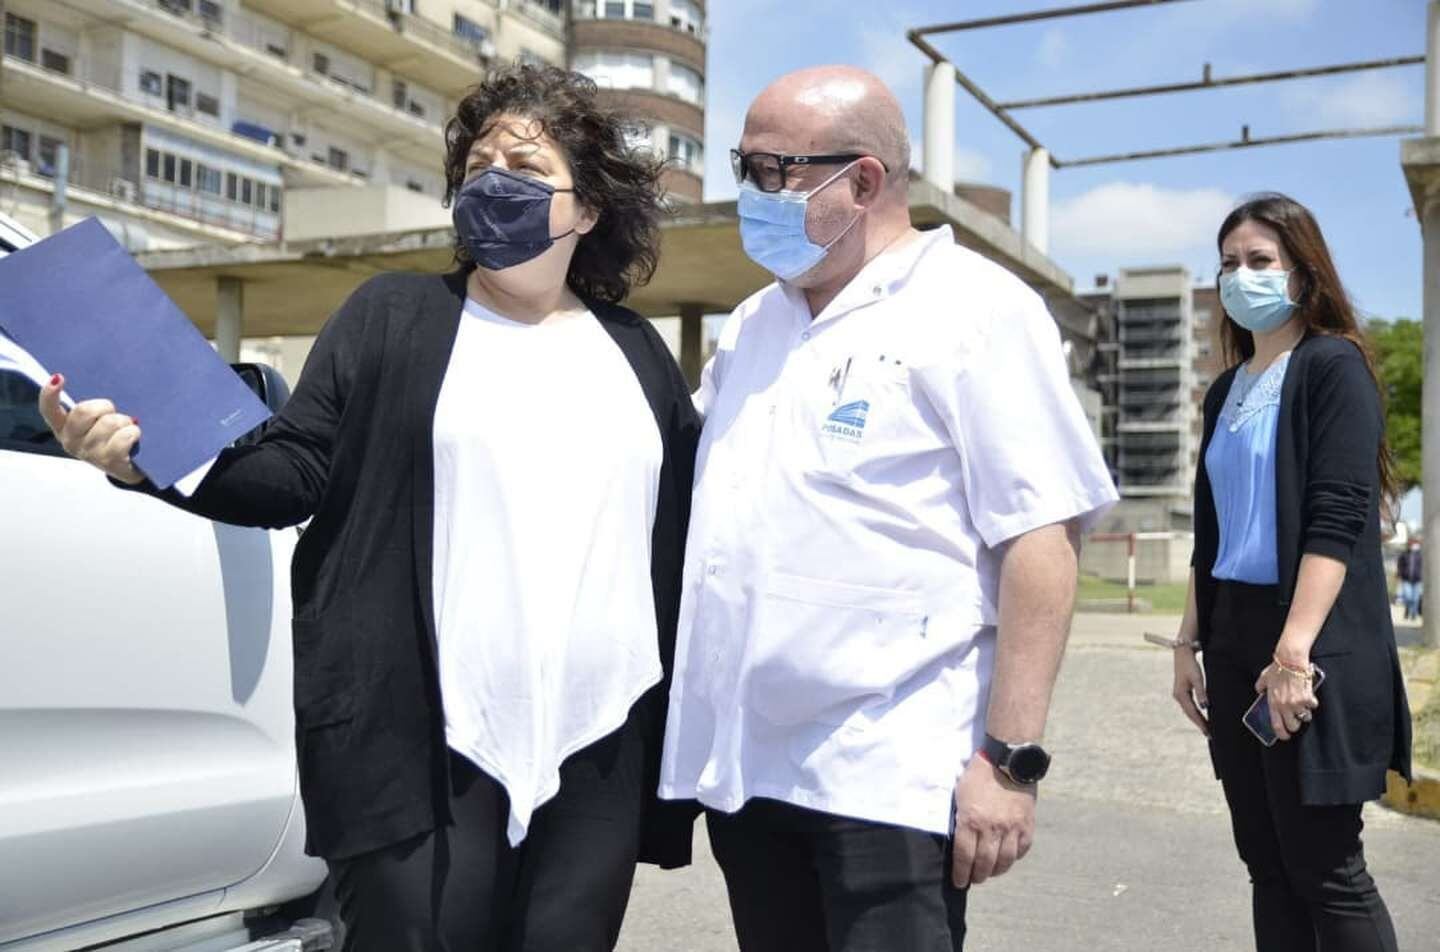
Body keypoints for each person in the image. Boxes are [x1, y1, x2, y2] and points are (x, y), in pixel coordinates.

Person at [38, 64, 700, 951]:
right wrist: (140, 455)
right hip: (423, 743)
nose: (492, 182)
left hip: (601, 742)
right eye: (478, 167)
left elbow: (694, 525)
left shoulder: (636, 353)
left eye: (525, 168)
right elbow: (293, 472)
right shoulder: (395, 315)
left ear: (586, 211)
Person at [658, 66, 1117, 951]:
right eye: (743, 166)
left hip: (886, 776)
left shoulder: (975, 311)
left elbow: (1041, 541)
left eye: (771, 171)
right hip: (750, 774)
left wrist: (1010, 764)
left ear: (862, 180)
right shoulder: (754, 325)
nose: (749, 194)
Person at [1170, 193, 1411, 952]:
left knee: (1326, 867)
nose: (1241, 277)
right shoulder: (1225, 389)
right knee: (1267, 866)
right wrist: (1188, 643)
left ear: (1304, 275)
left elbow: (1338, 521)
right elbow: (1212, 531)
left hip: (1308, 642)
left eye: (1260, 262)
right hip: (1235, 634)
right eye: (1229, 264)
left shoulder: (1332, 367)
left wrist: (1292, 653)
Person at [1397, 538, 1423, 621]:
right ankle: (1408, 610)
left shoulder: (1420, 555)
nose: (1414, 546)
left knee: (1415, 599)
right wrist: (1400, 574)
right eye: (1412, 544)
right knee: (1408, 597)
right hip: (1406, 579)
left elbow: (1424, 567)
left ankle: (1413, 615)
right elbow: (1399, 565)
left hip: (1417, 580)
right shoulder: (1404, 554)